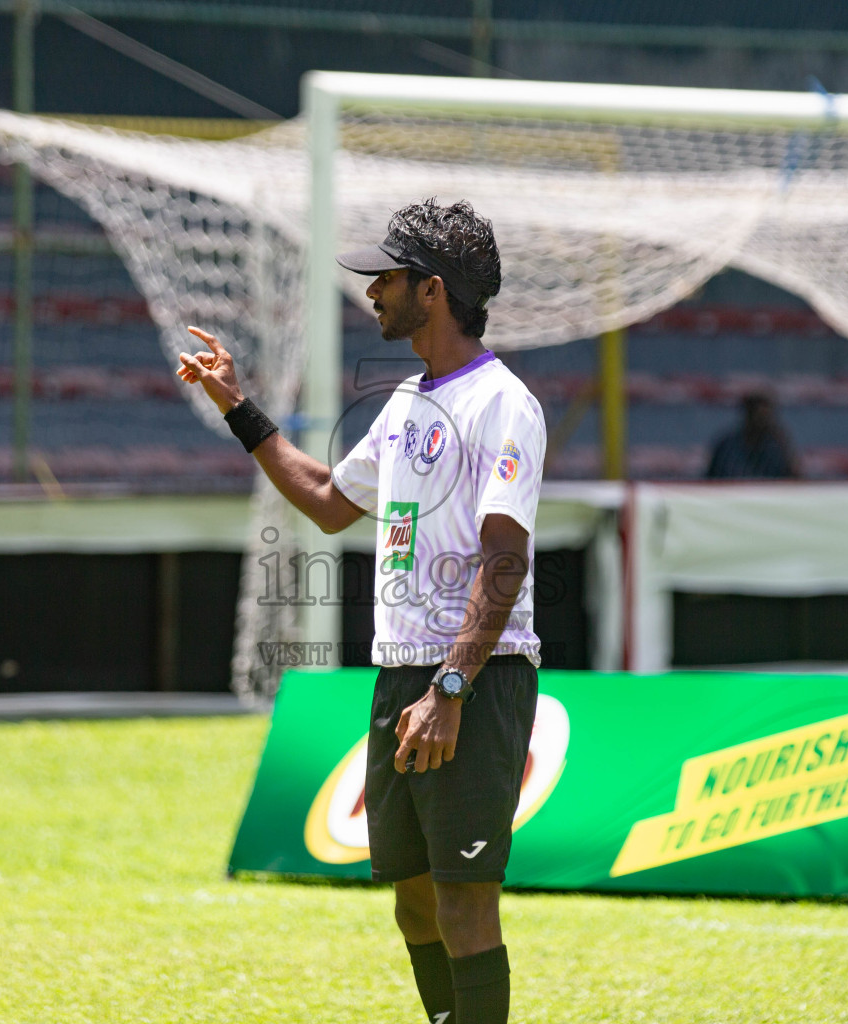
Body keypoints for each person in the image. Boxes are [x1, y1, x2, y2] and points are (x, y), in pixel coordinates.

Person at [180, 198, 545, 1024]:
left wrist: (450, 690)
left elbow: (505, 561)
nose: (372, 292)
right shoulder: (409, 401)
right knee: (413, 902)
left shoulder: (504, 404)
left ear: (434, 290)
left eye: (387, 277)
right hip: (400, 677)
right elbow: (328, 500)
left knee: (463, 903)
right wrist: (239, 409)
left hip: (472, 683)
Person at [704, 392, 801, 479]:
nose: (762, 422)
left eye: (766, 417)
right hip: (731, 496)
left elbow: (794, 482)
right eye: (757, 416)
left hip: (767, 497)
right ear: (747, 415)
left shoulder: (777, 447)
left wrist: (784, 444)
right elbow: (711, 482)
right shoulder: (726, 446)